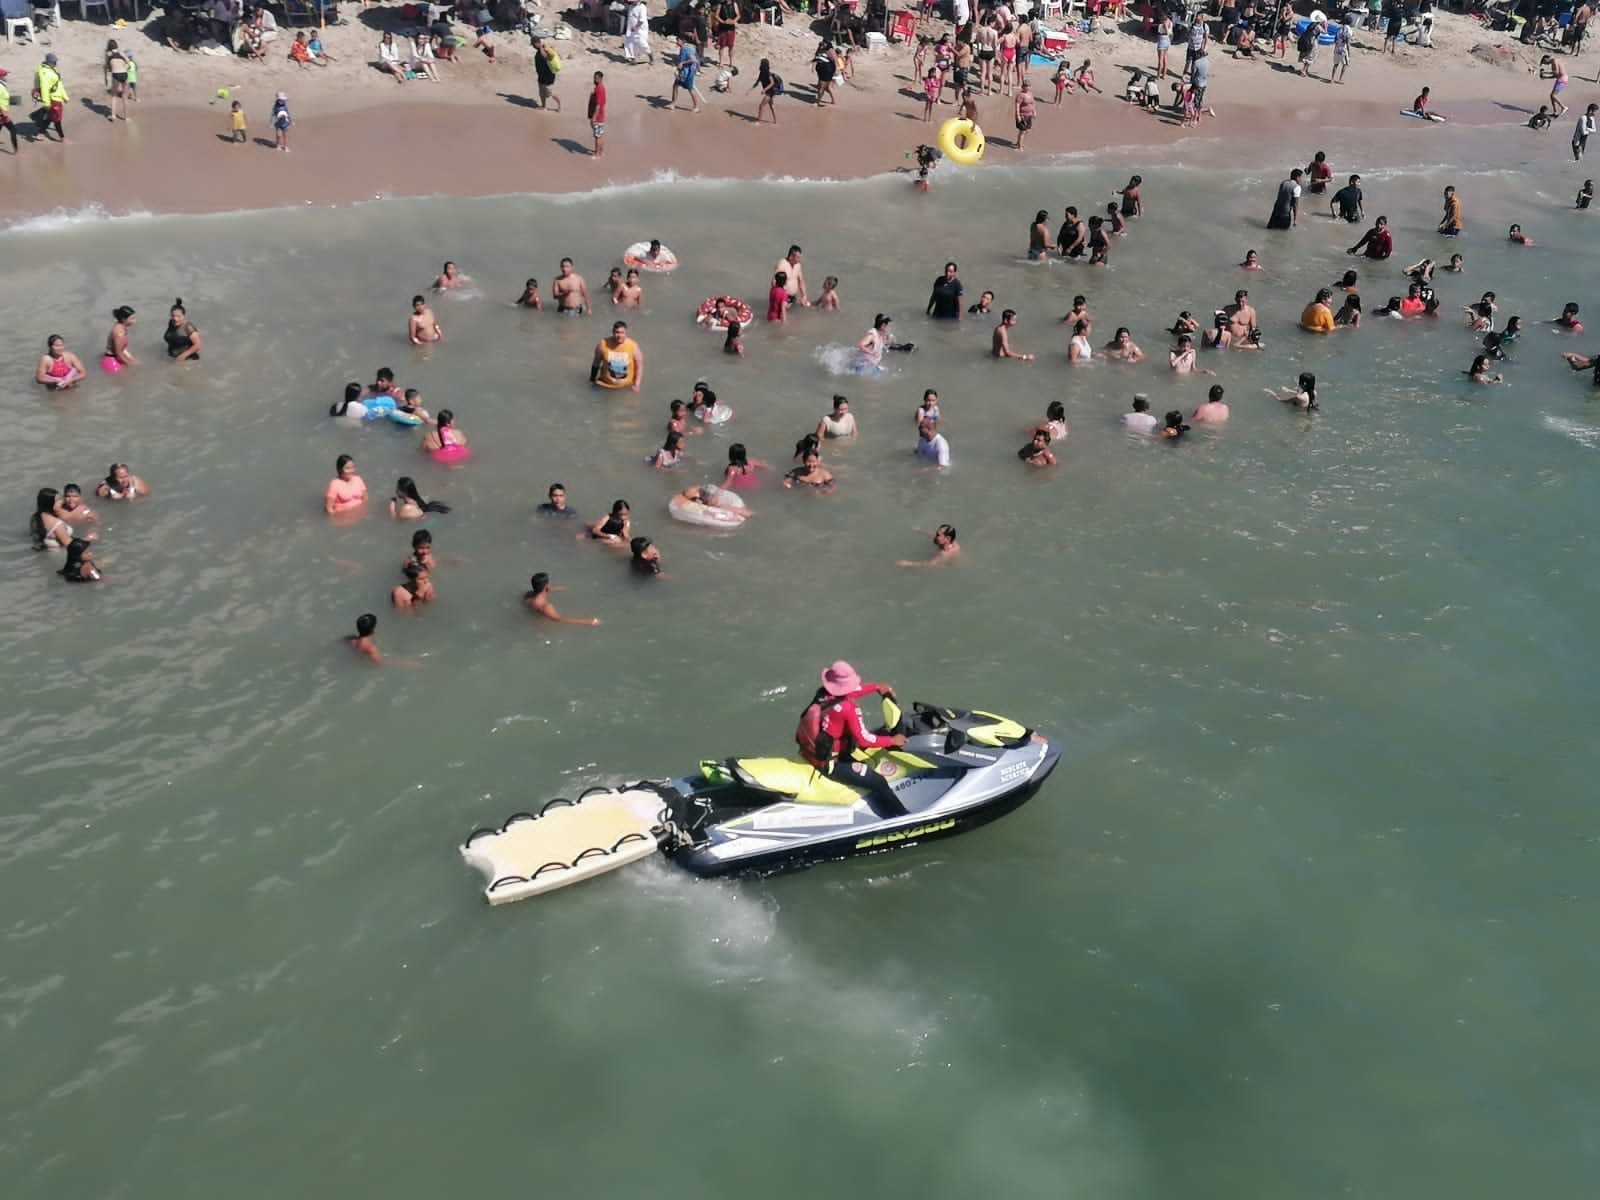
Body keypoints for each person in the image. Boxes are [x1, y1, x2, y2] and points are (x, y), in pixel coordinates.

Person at [794, 662, 909, 814]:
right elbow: (864, 739)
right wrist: (893, 741)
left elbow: (852, 692)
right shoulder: (849, 709)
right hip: (832, 763)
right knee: (878, 781)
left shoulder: (822, 694)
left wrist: (876, 687)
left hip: (812, 754)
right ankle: (901, 816)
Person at [526, 572, 602, 625]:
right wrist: (586, 622)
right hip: (543, 626)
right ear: (546, 586)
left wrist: (554, 589)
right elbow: (559, 619)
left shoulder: (530, 596)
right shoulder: (546, 606)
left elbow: (542, 590)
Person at [591, 321, 643, 391]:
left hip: (625, 386)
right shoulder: (603, 344)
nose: (619, 335)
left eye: (622, 333)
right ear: (613, 332)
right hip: (604, 384)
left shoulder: (633, 346)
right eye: (617, 332)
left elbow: (639, 366)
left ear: (626, 333)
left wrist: (637, 385)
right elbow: (596, 363)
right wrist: (592, 379)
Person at [32, 53, 69, 144]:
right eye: (54, 61)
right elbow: (44, 89)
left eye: (56, 61)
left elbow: (59, 84)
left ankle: (41, 134)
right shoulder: (46, 73)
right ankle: (62, 138)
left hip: (57, 97)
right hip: (53, 99)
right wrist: (46, 103)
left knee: (49, 117)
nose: (56, 63)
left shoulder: (51, 69)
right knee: (57, 119)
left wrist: (65, 97)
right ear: (49, 62)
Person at [671, 37, 704, 112]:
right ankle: (673, 104)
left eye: (678, 40)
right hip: (682, 72)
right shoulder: (682, 49)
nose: (676, 41)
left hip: (688, 73)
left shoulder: (686, 49)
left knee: (690, 89)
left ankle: (696, 107)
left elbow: (694, 60)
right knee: (675, 86)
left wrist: (682, 63)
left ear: (683, 41)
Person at [532, 36, 563, 111]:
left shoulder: (545, 49)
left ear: (537, 43)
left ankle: (559, 105)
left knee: (549, 93)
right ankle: (544, 106)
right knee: (541, 92)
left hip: (548, 76)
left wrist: (541, 47)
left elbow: (546, 57)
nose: (533, 46)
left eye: (533, 44)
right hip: (541, 75)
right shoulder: (539, 51)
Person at [753, 58, 784, 124]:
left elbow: (772, 83)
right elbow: (757, 81)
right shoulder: (761, 73)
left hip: (770, 91)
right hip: (769, 91)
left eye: (761, 63)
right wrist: (750, 89)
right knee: (771, 106)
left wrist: (765, 89)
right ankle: (775, 121)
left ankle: (759, 121)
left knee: (761, 106)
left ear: (764, 65)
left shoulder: (768, 73)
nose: (760, 64)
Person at [1539, 54, 1569, 119]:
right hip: (1560, 78)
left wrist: (1545, 72)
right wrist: (1545, 77)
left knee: (1553, 95)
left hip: (1562, 79)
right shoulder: (1556, 60)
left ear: (1546, 59)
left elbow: (1556, 72)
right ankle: (1555, 112)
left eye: (1545, 62)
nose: (1546, 64)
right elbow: (1556, 75)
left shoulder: (1554, 61)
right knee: (1551, 96)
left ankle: (1563, 107)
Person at [622, 0, 651, 65]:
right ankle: (633, 59)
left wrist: (636, 27)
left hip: (640, 30)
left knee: (642, 44)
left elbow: (642, 20)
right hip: (630, 29)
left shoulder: (642, 7)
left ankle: (650, 56)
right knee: (629, 43)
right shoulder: (630, 6)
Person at [587, 71, 607, 159]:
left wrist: (593, 117)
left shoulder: (599, 88)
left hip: (598, 117)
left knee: (597, 137)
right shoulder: (601, 88)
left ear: (600, 79)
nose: (594, 79)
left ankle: (596, 153)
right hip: (601, 116)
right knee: (600, 135)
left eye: (596, 78)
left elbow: (598, 105)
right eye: (594, 78)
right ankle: (601, 152)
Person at [1013, 79, 1035, 151]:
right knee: (1022, 131)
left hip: (1029, 115)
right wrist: (1018, 115)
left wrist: (1034, 112)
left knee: (1027, 130)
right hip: (1022, 115)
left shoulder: (1030, 94)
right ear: (1023, 86)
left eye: (1028, 86)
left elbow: (1032, 103)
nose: (1027, 87)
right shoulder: (1020, 95)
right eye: (1026, 86)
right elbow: (1017, 105)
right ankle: (1020, 147)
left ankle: (1018, 142)